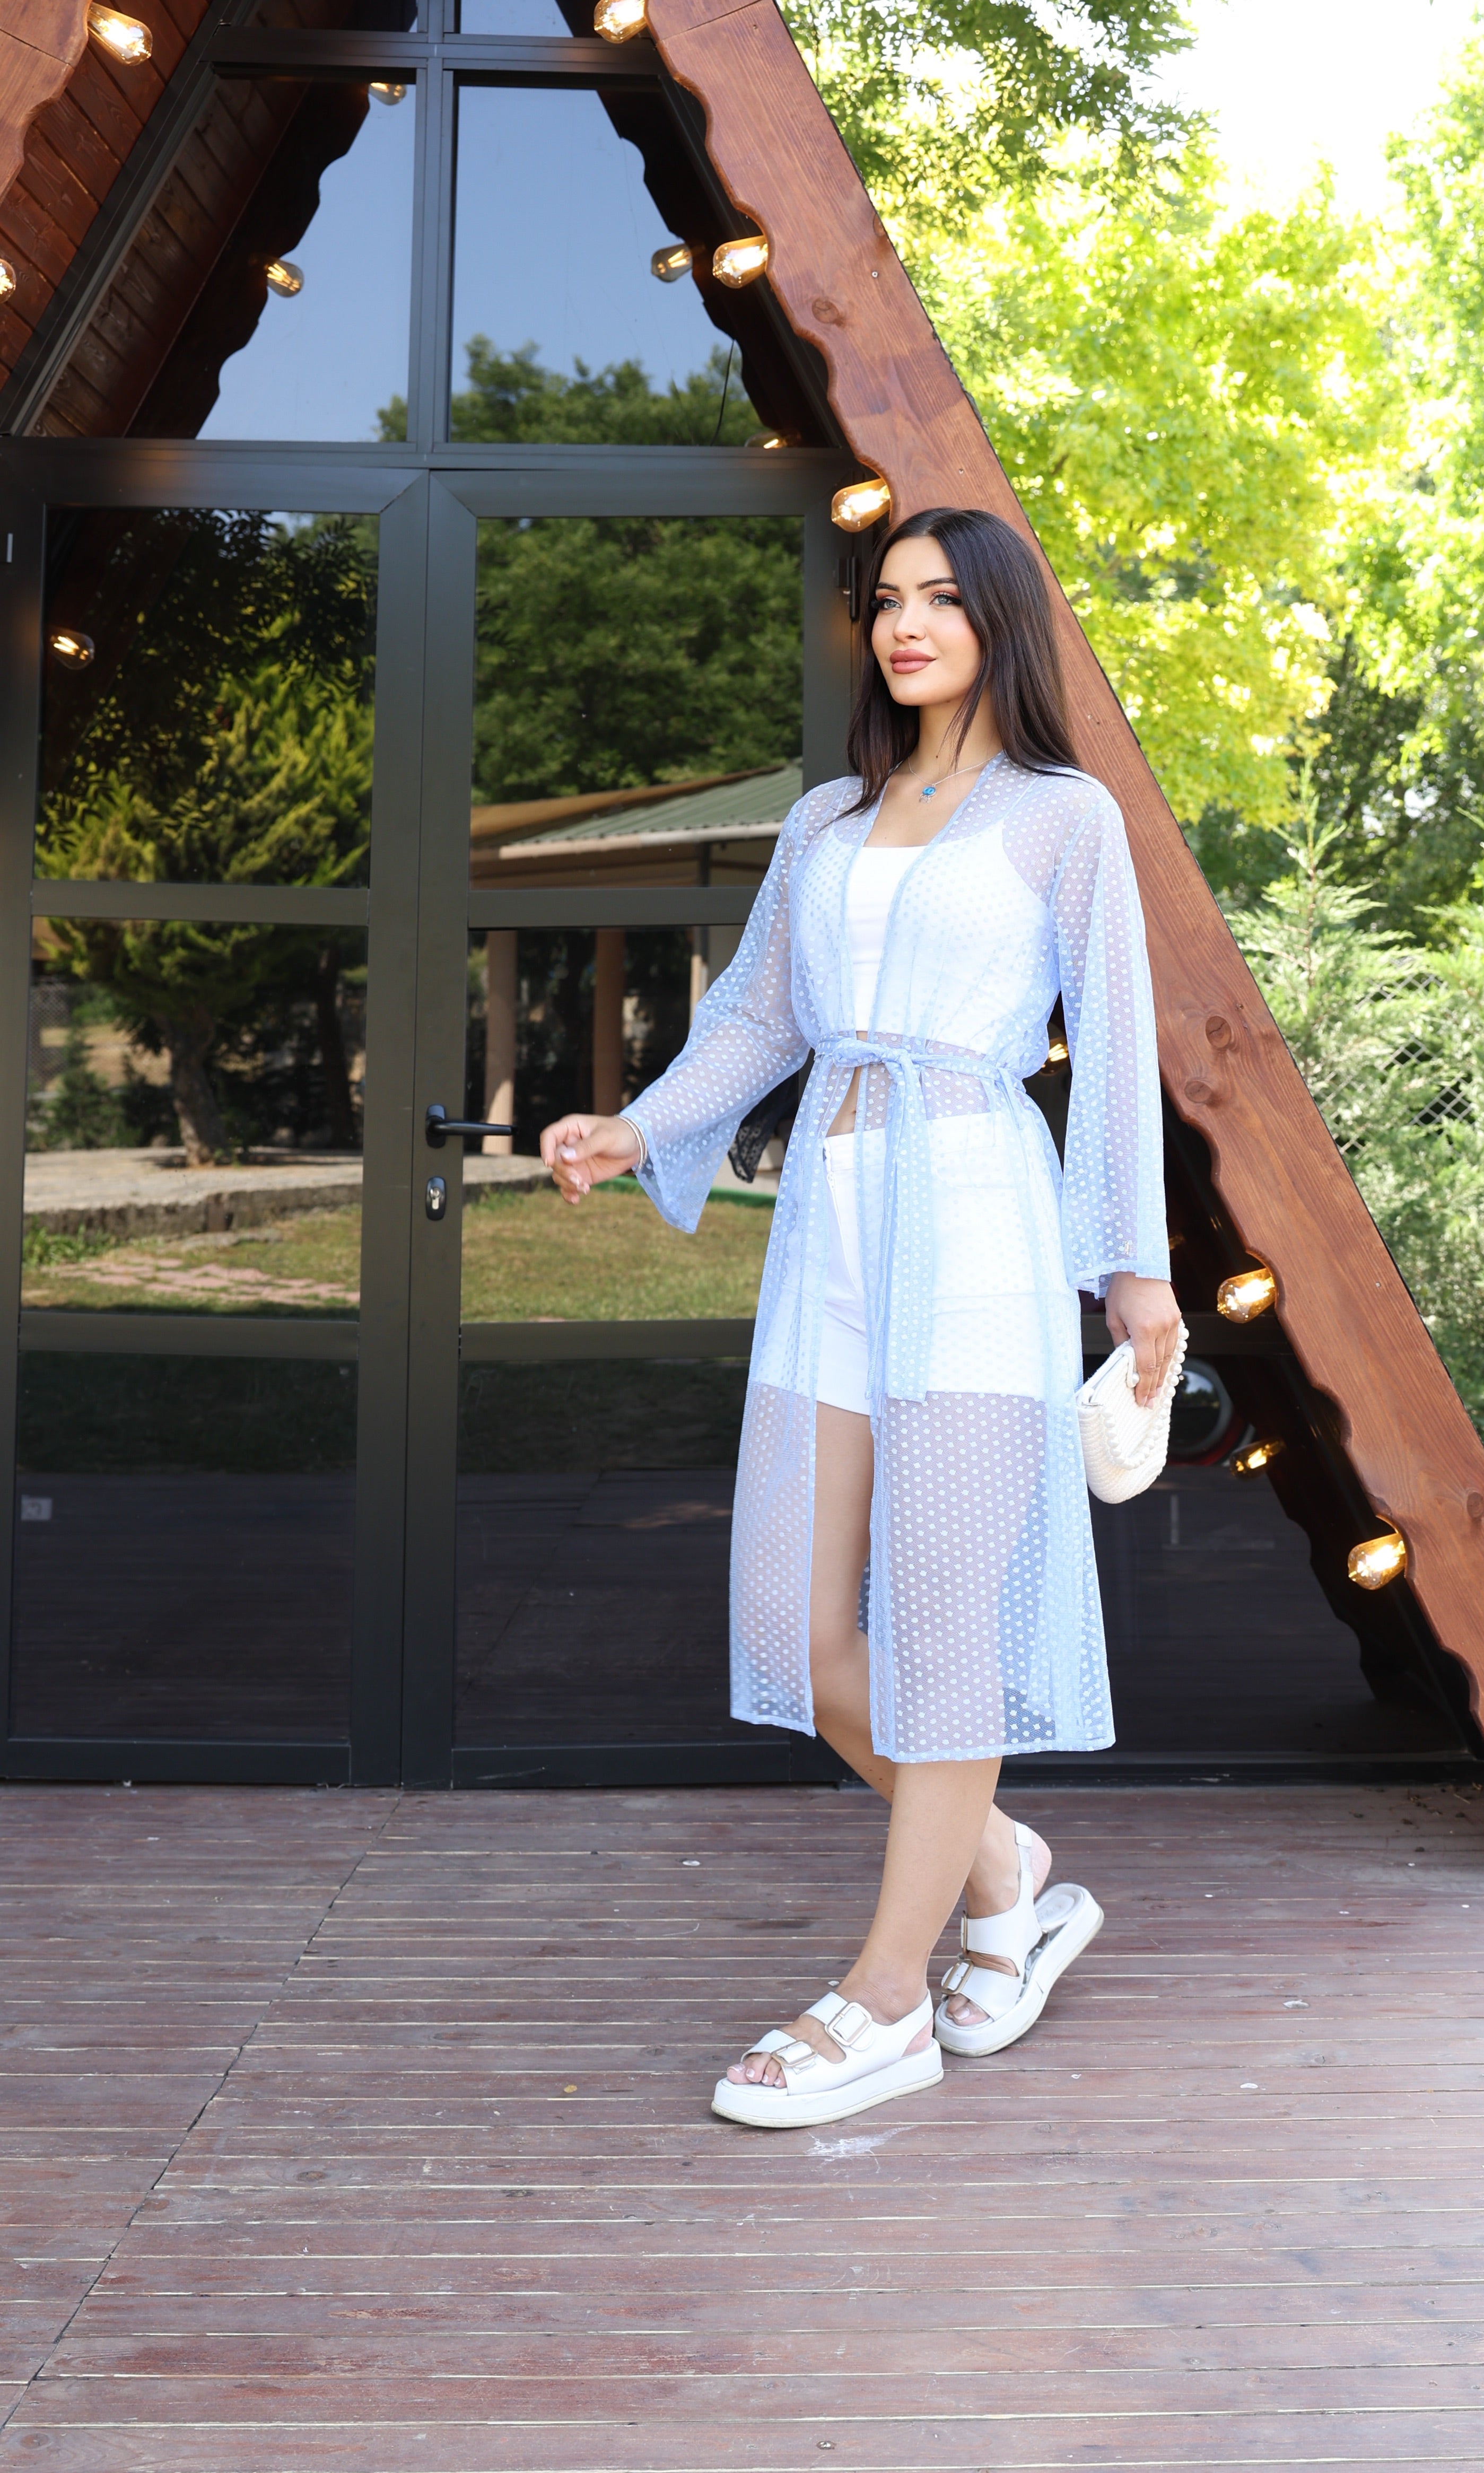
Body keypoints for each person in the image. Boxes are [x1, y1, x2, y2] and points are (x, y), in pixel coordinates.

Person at [539, 505, 1180, 2130]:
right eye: (886, 598)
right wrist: (637, 1126)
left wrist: (1134, 1266)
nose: (905, 624)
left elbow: (1112, 1044)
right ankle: (1004, 1872)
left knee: (943, 1634)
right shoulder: (825, 819)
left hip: (974, 1225)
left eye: (941, 599)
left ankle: (887, 1997)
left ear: (998, 623)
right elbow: (759, 1012)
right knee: (800, 1632)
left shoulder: (1062, 817)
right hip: (828, 1234)